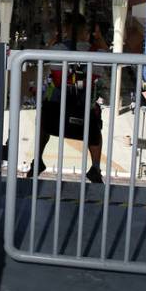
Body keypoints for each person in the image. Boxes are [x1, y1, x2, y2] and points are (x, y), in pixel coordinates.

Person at [28, 14, 107, 183]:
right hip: (83, 108)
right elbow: (102, 68)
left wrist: (53, 41)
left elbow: (41, 58)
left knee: (42, 121)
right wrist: (99, 39)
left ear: (65, 29)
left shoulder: (58, 49)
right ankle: (95, 167)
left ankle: (38, 159)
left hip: (57, 107)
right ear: (87, 31)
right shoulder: (97, 52)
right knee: (95, 131)